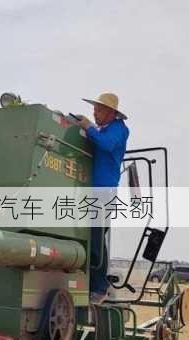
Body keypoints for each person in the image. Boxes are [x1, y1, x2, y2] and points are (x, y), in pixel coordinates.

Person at [76, 93, 129, 303]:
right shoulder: (103, 130)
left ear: (111, 113)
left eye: (98, 110)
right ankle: (91, 282)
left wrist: (88, 127)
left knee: (97, 239)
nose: (94, 114)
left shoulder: (119, 130)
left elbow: (106, 145)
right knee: (92, 237)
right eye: (94, 110)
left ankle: (99, 286)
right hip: (94, 192)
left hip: (104, 192)